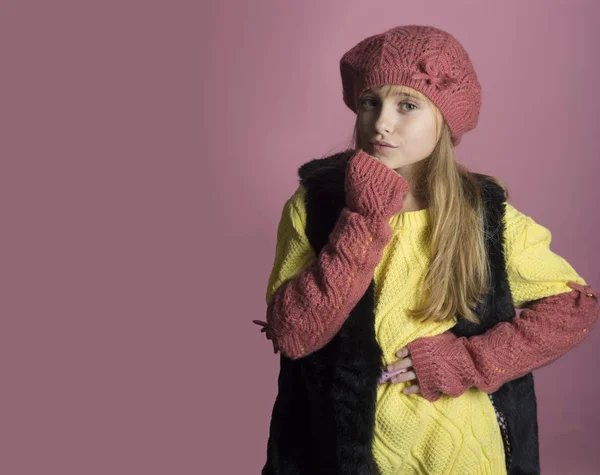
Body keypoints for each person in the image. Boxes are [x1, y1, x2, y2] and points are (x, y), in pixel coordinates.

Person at [252, 25, 599, 475]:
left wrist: (466, 361)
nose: (381, 123)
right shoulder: (315, 206)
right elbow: (295, 334)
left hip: (460, 452)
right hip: (340, 453)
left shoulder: (480, 216)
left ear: (444, 120)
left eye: (407, 105)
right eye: (369, 102)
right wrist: (363, 216)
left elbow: (573, 305)